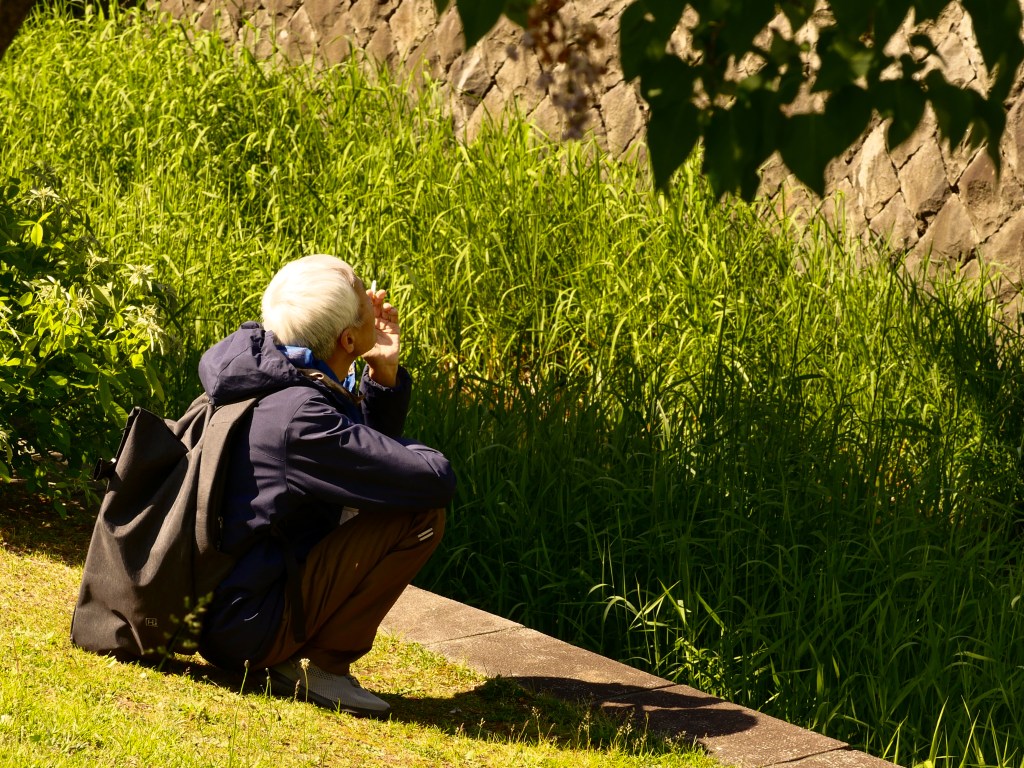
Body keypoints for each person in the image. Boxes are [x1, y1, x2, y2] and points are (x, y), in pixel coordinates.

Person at [195, 254, 456, 717]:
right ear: (347, 338)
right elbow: (430, 482)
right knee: (420, 515)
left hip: (230, 606)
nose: (373, 297)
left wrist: (383, 374)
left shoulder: (270, 374)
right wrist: (417, 453)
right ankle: (325, 669)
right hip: (251, 627)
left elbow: (369, 462)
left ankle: (308, 655)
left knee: (392, 491)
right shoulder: (302, 418)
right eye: (361, 291)